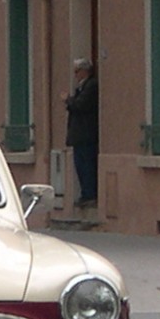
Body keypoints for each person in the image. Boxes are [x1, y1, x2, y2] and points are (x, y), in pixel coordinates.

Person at [62, 58, 99, 208]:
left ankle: (89, 194)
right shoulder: (82, 87)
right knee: (80, 166)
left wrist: (68, 100)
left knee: (87, 166)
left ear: (85, 71)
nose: (75, 75)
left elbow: (80, 105)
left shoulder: (91, 86)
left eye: (77, 71)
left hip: (86, 135)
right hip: (80, 136)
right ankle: (85, 194)